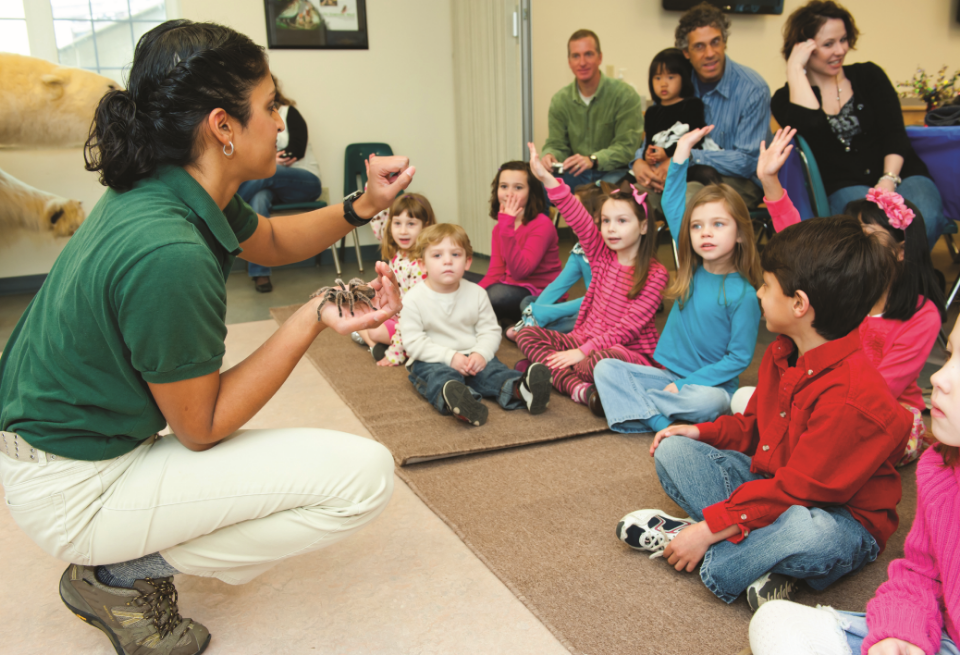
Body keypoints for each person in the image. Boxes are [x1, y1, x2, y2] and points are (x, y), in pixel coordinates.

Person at [0, 20, 414, 655]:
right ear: (223, 126)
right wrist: (311, 316)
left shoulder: (175, 183)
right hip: (71, 487)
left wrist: (362, 205)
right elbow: (202, 425)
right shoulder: (168, 248)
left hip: (55, 450)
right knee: (363, 479)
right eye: (271, 105)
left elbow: (272, 242)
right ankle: (115, 575)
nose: (281, 121)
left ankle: (116, 560)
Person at [615, 215, 914, 612]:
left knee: (811, 534)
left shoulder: (851, 398)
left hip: (839, 519)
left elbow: (800, 493)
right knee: (674, 451)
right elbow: (754, 429)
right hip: (777, 485)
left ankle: (710, 551)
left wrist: (708, 529)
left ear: (799, 303)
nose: (757, 292)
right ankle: (756, 557)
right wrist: (700, 434)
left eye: (766, 284)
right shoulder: (785, 349)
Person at [748, 317, 960, 655]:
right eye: (949, 356)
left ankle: (727, 542)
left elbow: (804, 484)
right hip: (943, 633)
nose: (937, 378)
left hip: (874, 451)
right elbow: (922, 574)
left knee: (805, 534)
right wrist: (901, 634)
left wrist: (725, 523)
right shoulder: (940, 470)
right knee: (773, 622)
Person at [741, 125, 946, 466]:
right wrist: (770, 181)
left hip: (882, 409)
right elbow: (800, 248)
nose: (857, 243)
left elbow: (880, 390)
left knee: (829, 443)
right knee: (769, 412)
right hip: (825, 393)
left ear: (900, 251)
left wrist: (811, 404)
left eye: (869, 234)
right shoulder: (848, 285)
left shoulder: (922, 315)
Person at [592, 125, 762, 432]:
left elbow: (738, 359)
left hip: (708, 387)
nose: (705, 232)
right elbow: (671, 204)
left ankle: (637, 409)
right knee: (604, 368)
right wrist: (681, 153)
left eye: (718, 224)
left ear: (739, 233)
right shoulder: (690, 268)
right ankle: (659, 421)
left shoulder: (745, 294)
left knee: (711, 404)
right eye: (697, 226)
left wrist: (687, 384)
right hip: (666, 376)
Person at [771, 0, 947, 249]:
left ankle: (914, 284)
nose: (840, 50)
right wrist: (794, 69)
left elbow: (895, 133)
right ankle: (882, 288)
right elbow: (811, 127)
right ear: (803, 48)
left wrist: (888, 179)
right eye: (828, 44)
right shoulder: (783, 99)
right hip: (845, 186)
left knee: (923, 220)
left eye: (843, 40)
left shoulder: (869, 75)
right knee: (870, 236)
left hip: (900, 173)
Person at [516, 143, 668, 406]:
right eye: (606, 221)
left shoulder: (656, 274)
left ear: (643, 227)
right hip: (581, 341)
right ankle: (582, 391)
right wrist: (545, 177)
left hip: (625, 352)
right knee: (526, 334)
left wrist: (581, 353)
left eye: (622, 221)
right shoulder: (601, 254)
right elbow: (577, 216)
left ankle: (552, 373)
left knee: (597, 363)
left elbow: (627, 330)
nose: (611, 229)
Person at [400, 224, 553, 427]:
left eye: (455, 254)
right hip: (432, 359)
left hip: (472, 356)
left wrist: (481, 353)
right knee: (439, 377)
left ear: (467, 262)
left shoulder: (477, 293)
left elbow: (489, 331)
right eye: (437, 256)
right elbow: (413, 343)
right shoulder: (413, 298)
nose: (447, 261)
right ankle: (463, 401)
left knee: (493, 372)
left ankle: (521, 389)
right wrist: (449, 357)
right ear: (422, 265)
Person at [632, 2, 770, 214]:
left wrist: (687, 157)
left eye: (715, 42)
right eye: (699, 46)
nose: (709, 53)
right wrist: (639, 162)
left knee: (691, 202)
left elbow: (748, 162)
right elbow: (656, 135)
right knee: (628, 200)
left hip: (740, 181)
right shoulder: (677, 84)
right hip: (679, 175)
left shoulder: (753, 88)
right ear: (686, 52)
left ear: (724, 42)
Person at [237, 75, 323, 292]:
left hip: (304, 182)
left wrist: (268, 160)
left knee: (267, 174)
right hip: (271, 185)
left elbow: (296, 149)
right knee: (258, 198)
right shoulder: (251, 117)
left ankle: (223, 204)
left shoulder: (288, 112)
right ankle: (260, 273)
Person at [540, 29, 643, 189]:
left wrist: (593, 159)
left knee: (598, 194)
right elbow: (557, 143)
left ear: (600, 57)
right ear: (569, 62)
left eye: (588, 54)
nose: (582, 62)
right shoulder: (560, 100)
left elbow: (627, 147)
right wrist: (549, 155)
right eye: (576, 56)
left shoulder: (625, 95)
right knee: (538, 188)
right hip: (576, 173)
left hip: (615, 172)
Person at [506, 183, 604, 342]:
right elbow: (557, 286)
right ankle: (535, 328)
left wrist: (543, 313)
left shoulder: (606, 251)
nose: (568, 216)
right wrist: (536, 311)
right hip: (584, 308)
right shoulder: (580, 251)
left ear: (595, 216)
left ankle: (533, 330)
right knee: (529, 301)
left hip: (603, 314)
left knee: (580, 323)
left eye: (574, 211)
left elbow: (597, 300)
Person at [472, 161, 563, 324]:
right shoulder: (499, 228)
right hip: (511, 288)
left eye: (518, 187)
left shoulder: (542, 224)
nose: (509, 194)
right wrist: (470, 295)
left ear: (531, 192)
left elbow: (521, 272)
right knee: (465, 287)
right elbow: (495, 272)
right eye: (504, 186)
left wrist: (506, 227)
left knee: (495, 295)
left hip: (540, 296)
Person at [354, 192, 436, 365]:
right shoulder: (398, 251)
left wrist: (396, 350)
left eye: (411, 224)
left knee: (373, 331)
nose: (403, 231)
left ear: (426, 226)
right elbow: (378, 219)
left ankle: (375, 345)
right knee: (356, 311)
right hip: (396, 315)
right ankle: (375, 344)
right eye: (397, 223)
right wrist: (373, 188)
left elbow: (411, 314)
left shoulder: (421, 265)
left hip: (413, 324)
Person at [640, 48, 721, 188]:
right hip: (658, 166)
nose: (663, 83)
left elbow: (696, 139)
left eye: (670, 77)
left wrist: (667, 153)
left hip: (686, 164)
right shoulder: (652, 111)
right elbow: (649, 141)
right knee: (626, 180)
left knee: (708, 174)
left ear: (683, 78)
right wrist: (647, 155)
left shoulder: (693, 105)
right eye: (657, 78)